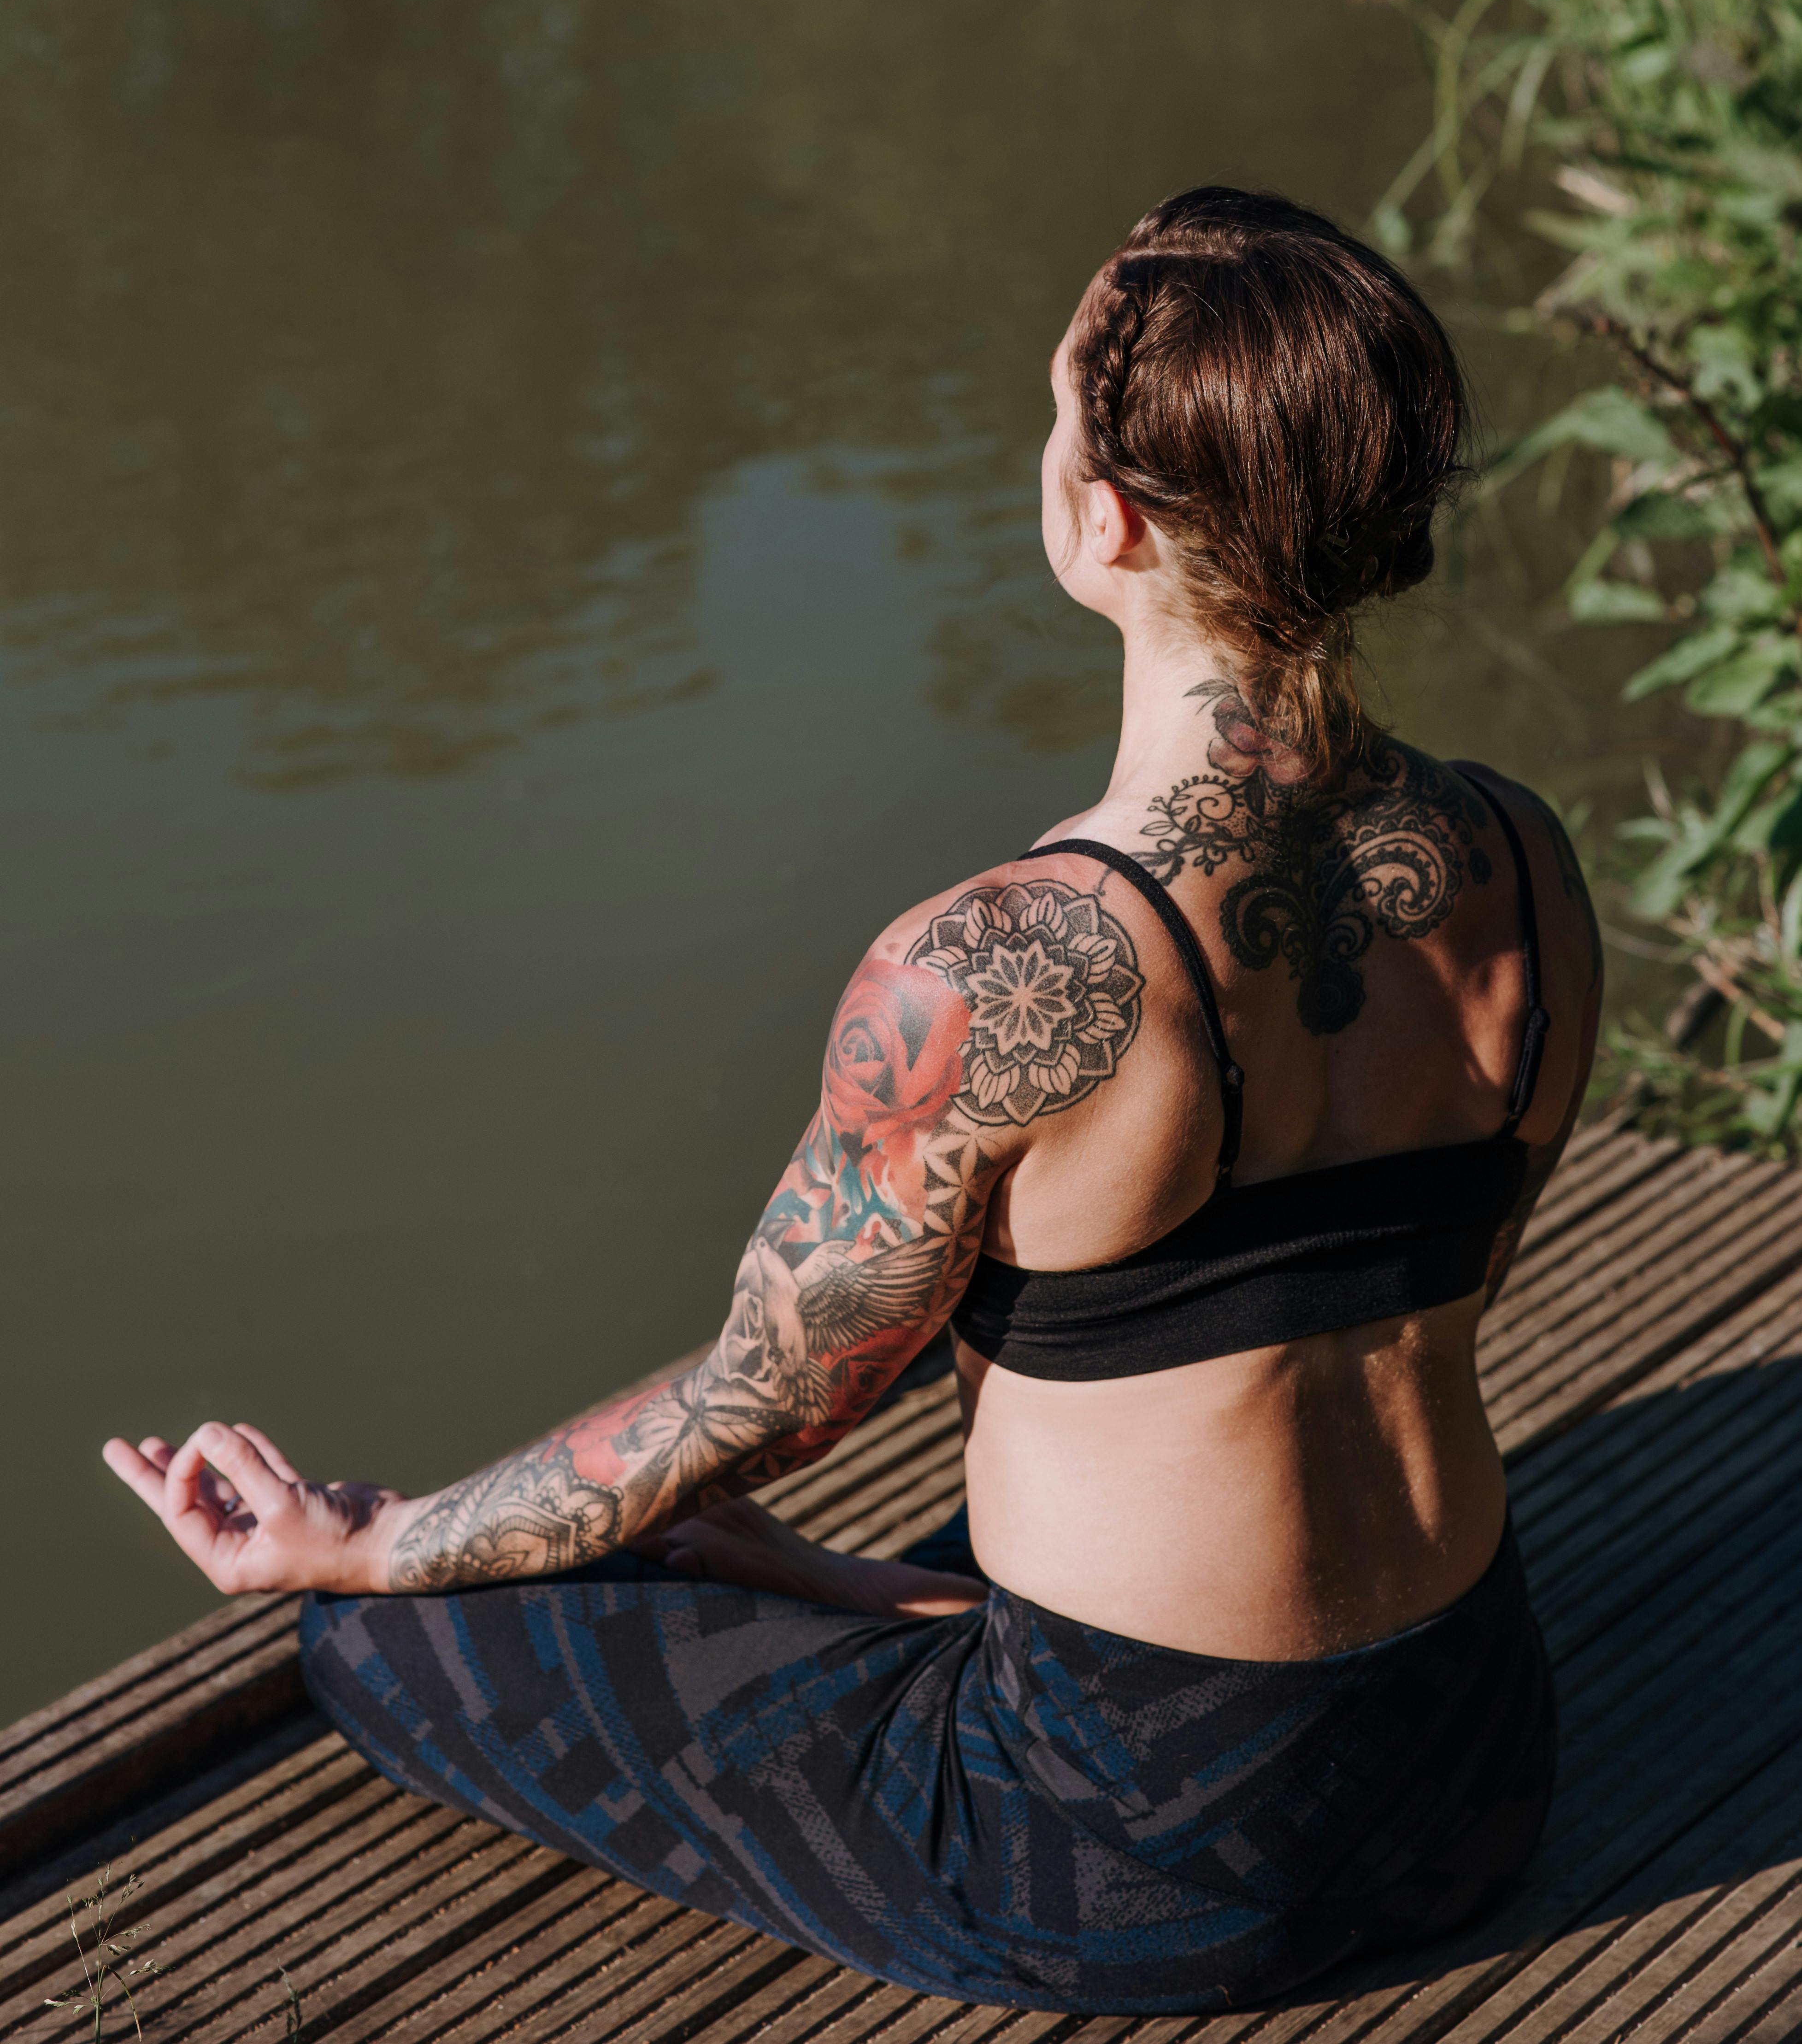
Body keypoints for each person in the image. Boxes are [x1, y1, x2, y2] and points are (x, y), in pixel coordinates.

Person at [104, 188, 1601, 2015]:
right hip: (1473, 1761)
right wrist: (835, 1580)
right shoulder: (1522, 862)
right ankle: (914, 1614)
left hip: (1143, 1856)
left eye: (1054, 414)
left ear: (1099, 514)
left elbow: (754, 1404)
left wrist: (367, 1541)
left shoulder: (1007, 968)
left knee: (386, 1647)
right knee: (785, 1559)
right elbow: (1382, 1318)